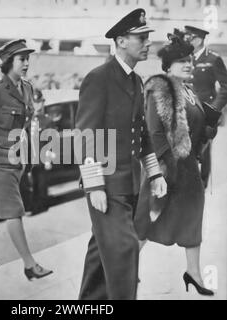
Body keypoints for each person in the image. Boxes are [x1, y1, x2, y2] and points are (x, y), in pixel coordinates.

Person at [75, 9, 167, 300]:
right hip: (105, 185)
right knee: (125, 249)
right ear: (121, 41)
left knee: (100, 255)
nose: (147, 43)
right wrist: (94, 185)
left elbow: (142, 135)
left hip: (128, 186)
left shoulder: (136, 81)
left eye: (147, 37)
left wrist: (154, 173)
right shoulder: (99, 78)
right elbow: (85, 136)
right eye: (141, 37)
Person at [134, 32, 215, 296]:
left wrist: (207, 131)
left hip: (189, 167)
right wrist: (159, 171)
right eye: (181, 61)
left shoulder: (189, 92)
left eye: (189, 59)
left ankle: (194, 272)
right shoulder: (160, 88)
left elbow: (196, 128)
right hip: (166, 167)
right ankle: (126, 267)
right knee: (149, 220)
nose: (188, 64)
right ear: (168, 66)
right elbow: (154, 132)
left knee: (193, 219)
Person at [0, 39, 53, 280]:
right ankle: (30, 265)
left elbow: (25, 127)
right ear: (9, 63)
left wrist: (27, 155)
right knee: (14, 211)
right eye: (22, 59)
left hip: (15, 159)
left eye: (28, 59)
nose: (27, 63)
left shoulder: (26, 88)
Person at [184, 25, 227, 188]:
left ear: (199, 39)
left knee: (203, 147)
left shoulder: (213, 59)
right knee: (186, 145)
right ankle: (187, 182)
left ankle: (202, 183)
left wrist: (214, 108)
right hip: (187, 109)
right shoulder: (186, 58)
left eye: (190, 38)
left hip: (206, 111)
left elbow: (225, 86)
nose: (187, 41)